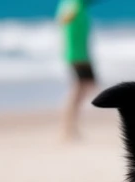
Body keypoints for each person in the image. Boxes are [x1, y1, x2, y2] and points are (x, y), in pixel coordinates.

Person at [56, 0, 95, 140]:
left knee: (87, 87)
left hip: (83, 55)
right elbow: (62, 21)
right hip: (76, 55)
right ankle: (67, 128)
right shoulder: (73, 4)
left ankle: (71, 126)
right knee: (78, 88)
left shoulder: (80, 5)